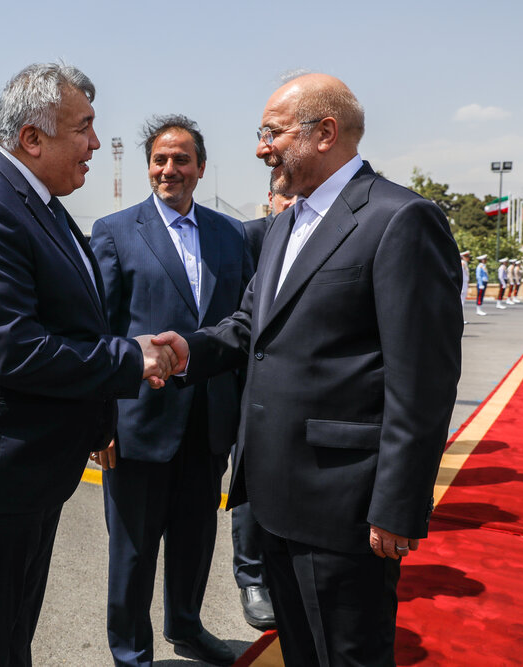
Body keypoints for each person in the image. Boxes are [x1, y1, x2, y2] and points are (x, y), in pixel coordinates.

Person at [168, 73, 462, 666]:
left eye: (271, 133)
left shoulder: (400, 218)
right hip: (274, 499)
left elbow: (422, 382)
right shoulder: (286, 223)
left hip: (344, 506)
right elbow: (250, 327)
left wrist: (399, 504)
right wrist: (181, 352)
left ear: (324, 133)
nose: (260, 148)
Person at [0, 63, 181, 666]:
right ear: (32, 138)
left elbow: (72, 322)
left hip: (24, 472)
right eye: (83, 128)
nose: (95, 143)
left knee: (9, 639)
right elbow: (13, 348)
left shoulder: (39, 204)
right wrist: (130, 358)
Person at [90, 115, 253, 666]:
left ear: (201, 168)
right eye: (160, 159)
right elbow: (100, 333)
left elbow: (242, 325)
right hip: (139, 422)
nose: (169, 169)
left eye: (182, 159)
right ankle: (131, 651)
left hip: (209, 421)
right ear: (148, 168)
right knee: (132, 550)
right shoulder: (115, 231)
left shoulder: (231, 234)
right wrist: (101, 423)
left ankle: (186, 626)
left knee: (195, 538)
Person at [227, 187, 295, 633]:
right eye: (282, 197)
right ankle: (251, 578)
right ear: (270, 198)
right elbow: (239, 313)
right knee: (250, 484)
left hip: (293, 390)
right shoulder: (249, 236)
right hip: (246, 384)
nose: (290, 204)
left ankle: (281, 571)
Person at [459, 250, 470, 323]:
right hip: (463, 283)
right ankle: (460, 319)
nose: (468, 258)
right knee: (461, 302)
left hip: (464, 283)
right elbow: (461, 275)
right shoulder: (462, 263)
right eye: (467, 256)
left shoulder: (464, 263)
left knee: (462, 301)